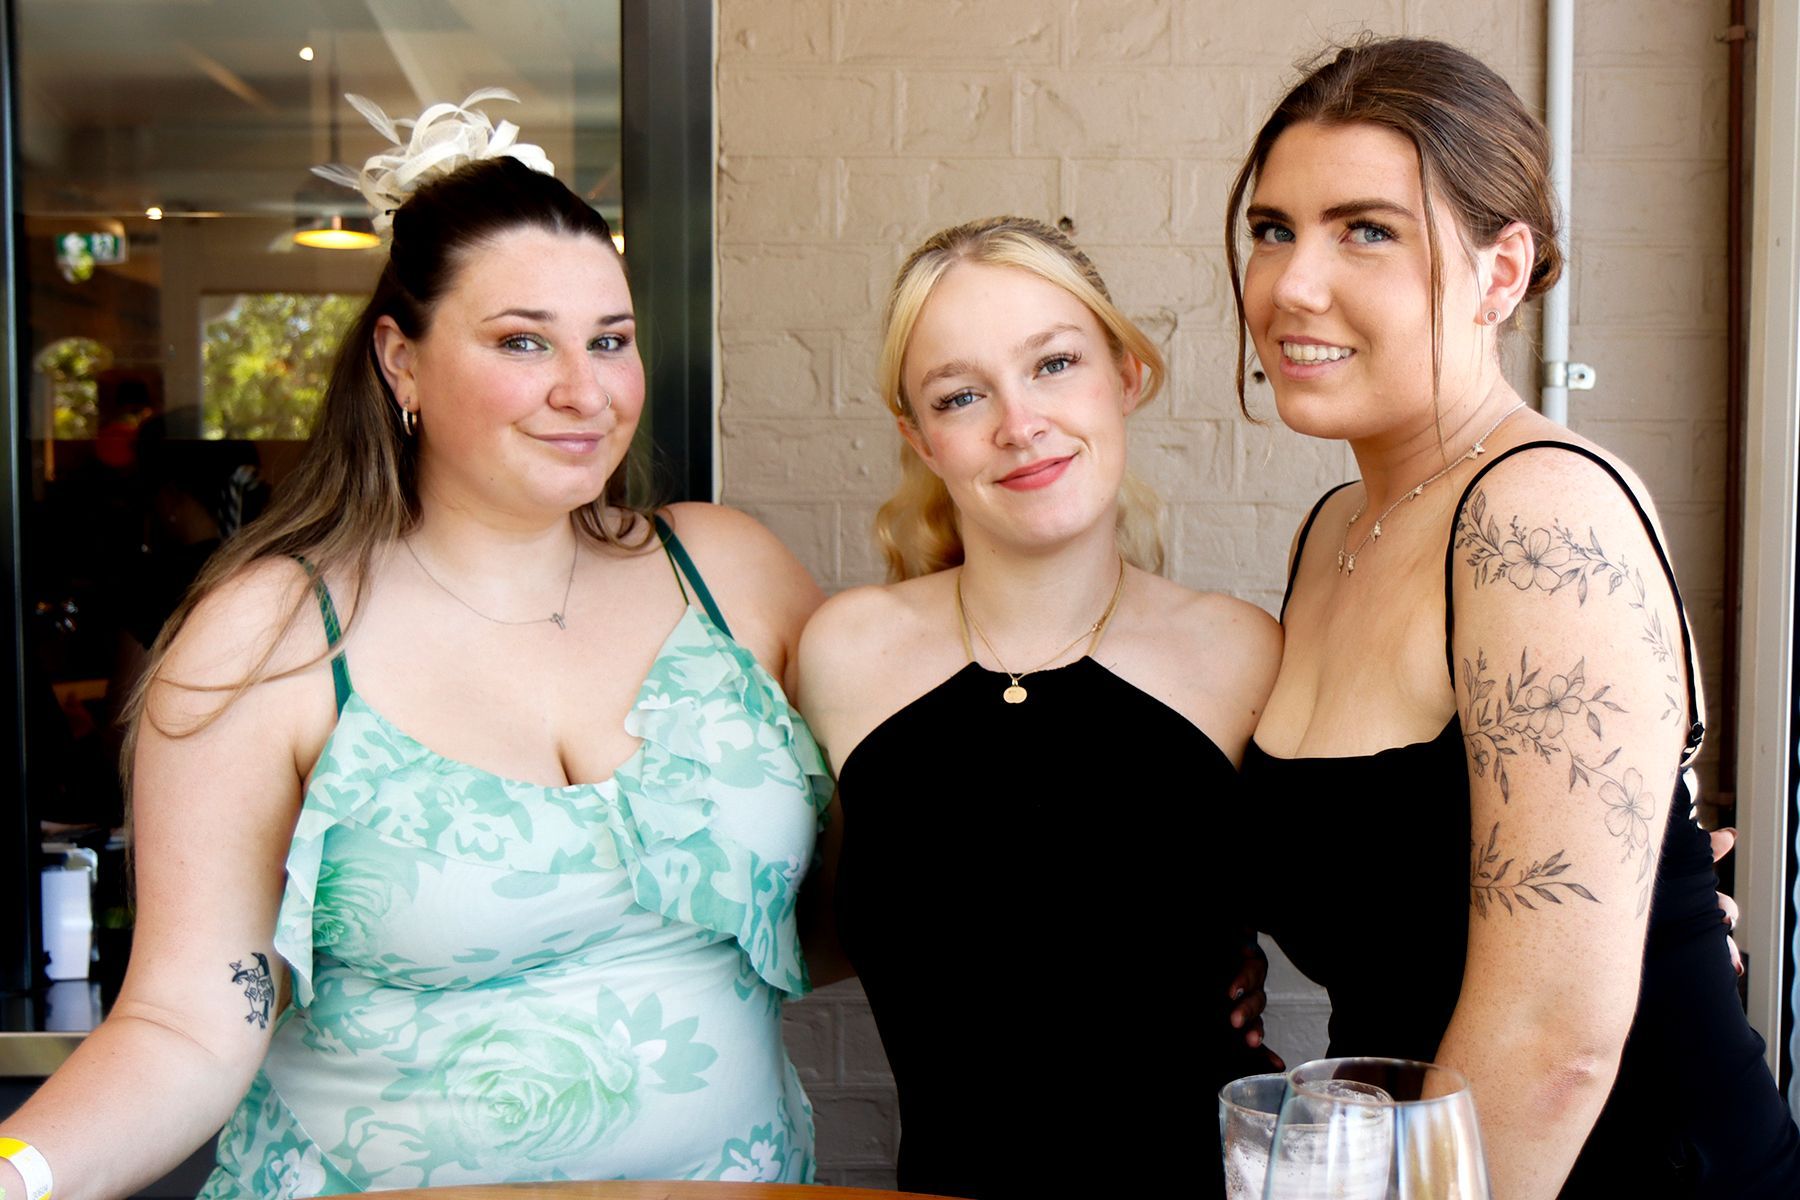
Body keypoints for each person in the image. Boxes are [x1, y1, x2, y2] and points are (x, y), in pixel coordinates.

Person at [0, 101, 828, 1200]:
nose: (585, 390)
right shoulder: (272, 635)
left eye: (610, 340)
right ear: (401, 361)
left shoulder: (727, 574)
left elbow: (884, 892)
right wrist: (16, 1176)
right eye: (523, 341)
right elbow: (188, 1021)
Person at [1224, 36, 1800, 1198]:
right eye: (1274, 229)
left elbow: (1553, 1043)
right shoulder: (1333, 534)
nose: (1291, 285)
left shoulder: (1539, 515)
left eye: (1366, 231)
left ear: (1501, 272)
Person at [796, 215, 1283, 1200]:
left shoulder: (1241, 653)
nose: (1019, 425)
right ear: (919, 438)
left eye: (1054, 365)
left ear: (1126, 376)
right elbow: (796, 918)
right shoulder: (846, 654)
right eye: (961, 395)